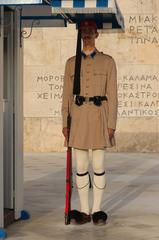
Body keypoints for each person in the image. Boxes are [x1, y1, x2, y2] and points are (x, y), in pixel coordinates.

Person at [61, 19, 118, 225]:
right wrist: (64, 123)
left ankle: (97, 210)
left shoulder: (108, 61)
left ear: (96, 34)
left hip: (99, 115)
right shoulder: (71, 63)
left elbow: (113, 95)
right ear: (79, 34)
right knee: (81, 165)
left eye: (89, 31)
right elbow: (66, 96)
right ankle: (85, 211)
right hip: (78, 117)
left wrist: (112, 123)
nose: (86, 34)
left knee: (99, 164)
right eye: (83, 31)